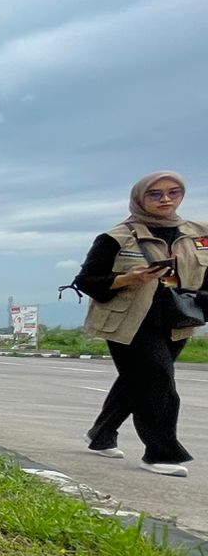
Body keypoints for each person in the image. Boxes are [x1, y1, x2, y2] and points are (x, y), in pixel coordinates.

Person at [73, 171, 206, 477]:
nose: (165, 199)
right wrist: (128, 278)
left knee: (138, 381)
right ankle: (161, 452)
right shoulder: (116, 237)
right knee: (158, 381)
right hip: (128, 323)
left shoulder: (200, 234)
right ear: (140, 198)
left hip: (178, 318)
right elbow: (87, 281)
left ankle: (101, 434)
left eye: (173, 192)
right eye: (155, 194)